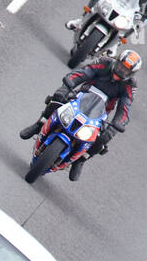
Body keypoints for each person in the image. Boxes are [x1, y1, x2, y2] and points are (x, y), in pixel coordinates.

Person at [20, 47, 140, 181]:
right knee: (57, 99)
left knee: (104, 137)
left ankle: (81, 160)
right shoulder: (105, 62)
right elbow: (84, 72)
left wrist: (118, 123)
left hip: (100, 113)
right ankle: (39, 124)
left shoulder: (130, 85)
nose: (121, 71)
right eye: (120, 66)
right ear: (116, 61)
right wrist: (69, 83)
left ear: (131, 74)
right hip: (80, 97)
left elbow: (125, 106)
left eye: (126, 70)